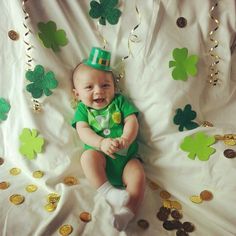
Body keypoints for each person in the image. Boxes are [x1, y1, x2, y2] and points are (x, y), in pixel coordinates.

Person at [71, 47, 146, 231]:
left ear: (114, 87)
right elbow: (82, 130)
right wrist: (100, 143)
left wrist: (126, 139)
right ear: (77, 94)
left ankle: (127, 213)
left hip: (126, 158)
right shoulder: (82, 110)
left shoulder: (119, 102)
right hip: (100, 157)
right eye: (89, 87)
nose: (99, 91)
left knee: (138, 176)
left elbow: (132, 121)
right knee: (87, 158)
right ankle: (108, 191)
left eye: (105, 85)